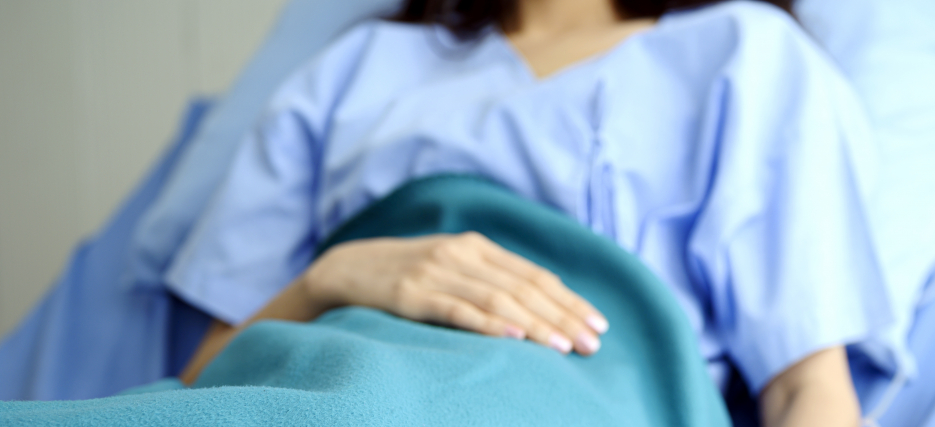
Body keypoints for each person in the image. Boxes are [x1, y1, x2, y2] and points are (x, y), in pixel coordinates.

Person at [173, 0, 892, 425]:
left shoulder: (747, 52)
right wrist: (330, 277)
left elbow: (808, 386)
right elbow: (209, 377)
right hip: (314, 384)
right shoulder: (351, 69)